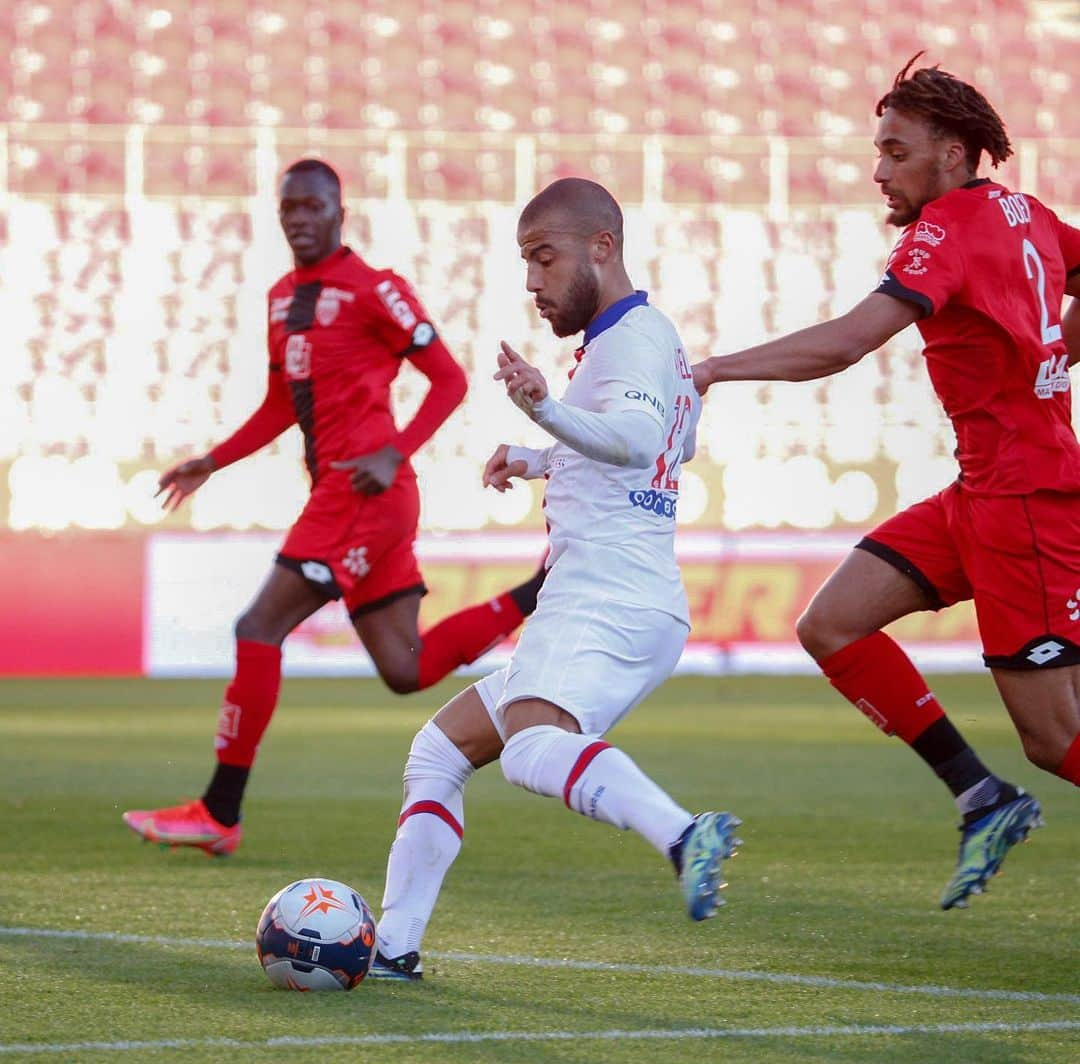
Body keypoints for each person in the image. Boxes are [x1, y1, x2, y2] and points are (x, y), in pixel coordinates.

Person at [693, 56, 1080, 910]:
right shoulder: (1030, 216)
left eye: (895, 151)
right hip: (981, 495)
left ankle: (1001, 792)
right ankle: (983, 798)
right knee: (831, 624)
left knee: (1057, 740)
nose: (879, 171)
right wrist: (1055, 352)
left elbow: (842, 345)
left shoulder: (944, 227)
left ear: (950, 154)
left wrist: (714, 368)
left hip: (1024, 507)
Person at [363, 177, 741, 982]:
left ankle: (682, 834)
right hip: (618, 594)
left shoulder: (632, 341)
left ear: (601, 247)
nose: (532, 282)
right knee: (439, 754)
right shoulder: (643, 340)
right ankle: (394, 948)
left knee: (535, 747)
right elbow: (668, 453)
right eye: (525, 264)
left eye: (544, 258)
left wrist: (544, 412)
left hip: (607, 596)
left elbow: (639, 442)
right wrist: (542, 458)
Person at [123, 159, 544, 855]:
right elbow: (280, 405)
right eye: (289, 207)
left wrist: (397, 450)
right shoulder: (280, 298)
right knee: (404, 667)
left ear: (339, 212)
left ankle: (219, 811)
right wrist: (214, 460)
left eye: (313, 206)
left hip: (362, 493)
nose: (299, 218)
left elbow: (449, 379)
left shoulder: (376, 290)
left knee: (258, 626)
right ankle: (539, 591)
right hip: (349, 498)